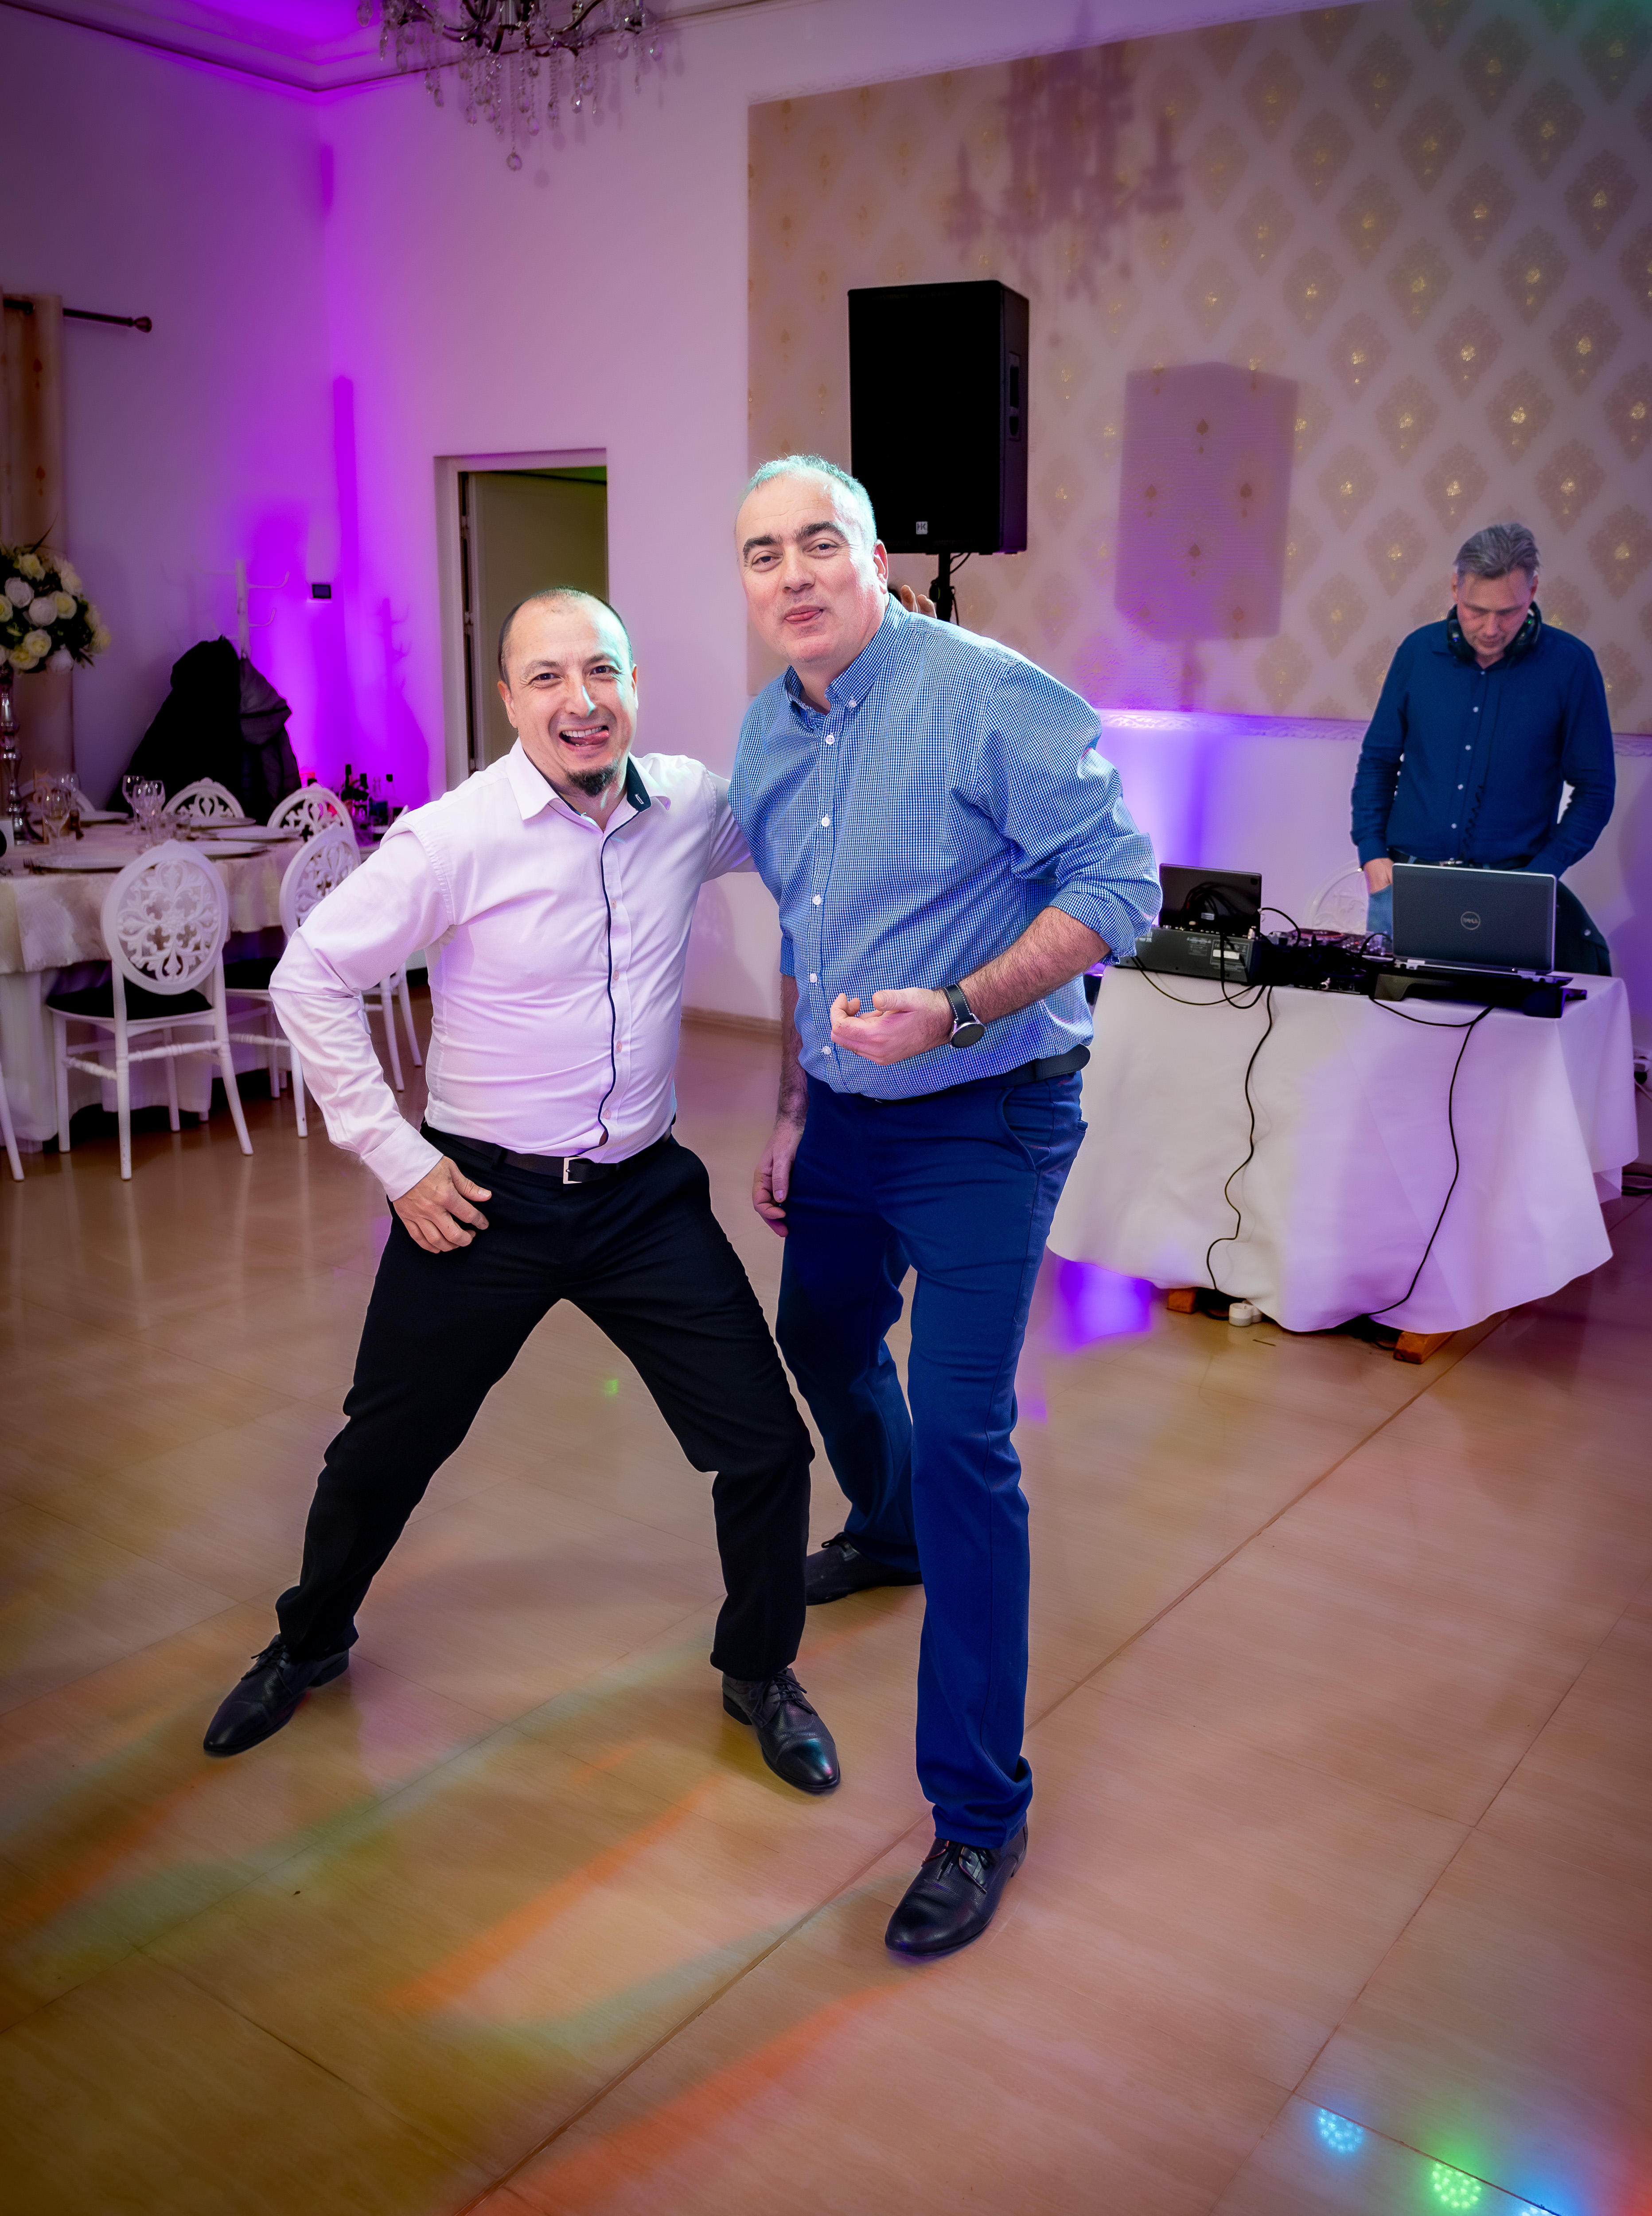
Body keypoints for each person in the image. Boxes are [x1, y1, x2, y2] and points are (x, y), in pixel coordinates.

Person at [203, 589, 839, 1800]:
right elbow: (310, 978)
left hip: (642, 1198)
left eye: (602, 671)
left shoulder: (689, 805)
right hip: (478, 1199)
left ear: (635, 685)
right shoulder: (451, 838)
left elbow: (816, 820)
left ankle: (761, 1670)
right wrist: (398, 1160)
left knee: (765, 1447)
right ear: (507, 700)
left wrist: (868, 681)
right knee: (383, 1449)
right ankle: (308, 1639)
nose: (580, 700)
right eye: (547, 677)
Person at [730, 455, 1158, 1957]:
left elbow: (1121, 886)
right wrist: (795, 1107)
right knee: (818, 1335)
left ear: (874, 556)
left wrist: (962, 1007)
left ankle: (979, 1812)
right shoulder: (766, 732)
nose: (794, 574)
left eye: (819, 543)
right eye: (763, 553)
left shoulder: (988, 694)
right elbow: (807, 933)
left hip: (989, 1112)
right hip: (848, 1120)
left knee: (967, 1430)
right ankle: (888, 1527)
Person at [1352, 521, 1615, 973]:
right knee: (1391, 1014)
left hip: (1510, 893)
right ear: (1455, 587)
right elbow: (1378, 761)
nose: (1491, 629)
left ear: (1533, 590)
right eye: (1476, 611)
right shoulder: (1417, 653)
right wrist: (1372, 853)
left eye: (1508, 612)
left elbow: (1595, 789)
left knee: (1497, 1020)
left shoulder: (1571, 665)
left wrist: (1542, 874)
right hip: (1405, 884)